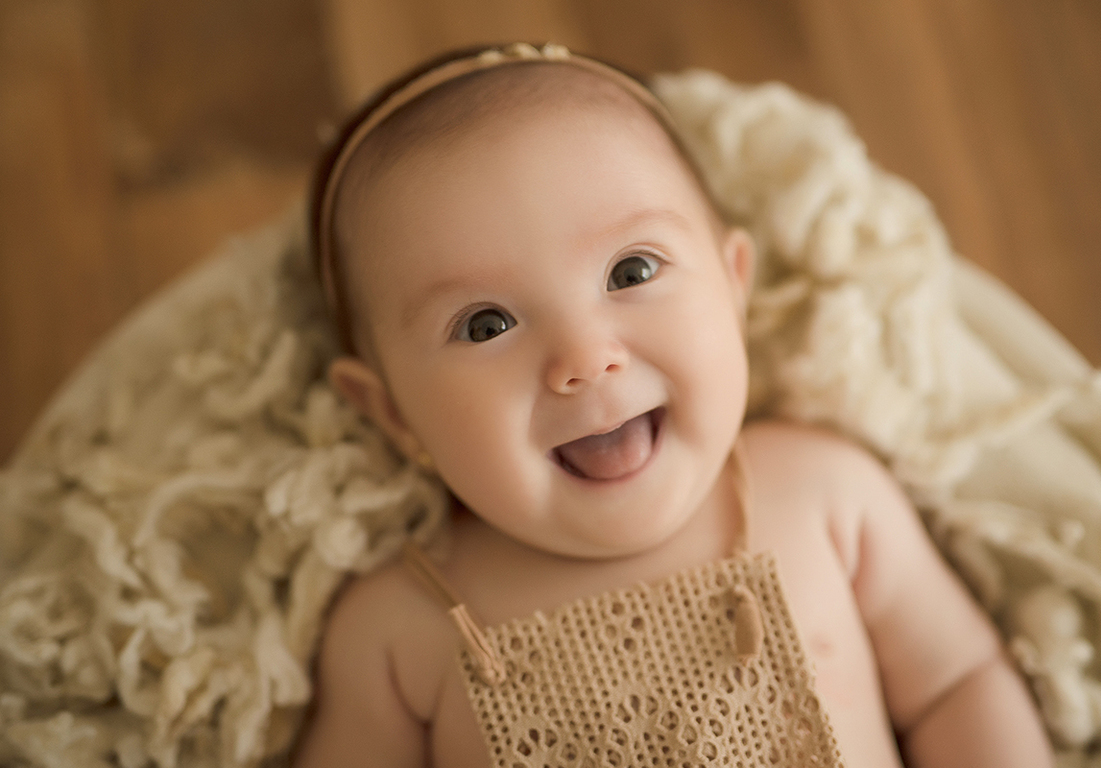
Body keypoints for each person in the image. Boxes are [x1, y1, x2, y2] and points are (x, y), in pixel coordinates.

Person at [292, 42, 1054, 768]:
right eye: (486, 324)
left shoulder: (824, 492)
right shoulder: (398, 632)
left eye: (631, 270)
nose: (586, 359)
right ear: (391, 412)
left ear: (733, 284)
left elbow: (960, 683)